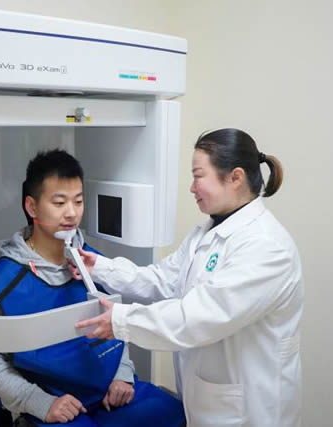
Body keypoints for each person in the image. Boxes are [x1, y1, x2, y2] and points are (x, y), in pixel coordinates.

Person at [73, 129, 304, 426]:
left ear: (235, 178)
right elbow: (162, 280)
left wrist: (120, 321)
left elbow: (198, 318)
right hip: (210, 402)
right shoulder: (206, 233)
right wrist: (100, 267)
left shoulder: (267, 247)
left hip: (251, 410)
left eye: (198, 176)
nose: (192, 188)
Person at [0, 149, 185, 426]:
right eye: (59, 202)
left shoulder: (93, 263)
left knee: (174, 413)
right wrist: (40, 403)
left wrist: (123, 374)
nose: (72, 213)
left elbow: (115, 321)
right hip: (53, 403)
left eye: (78, 201)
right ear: (32, 207)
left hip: (110, 393)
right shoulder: (3, 285)